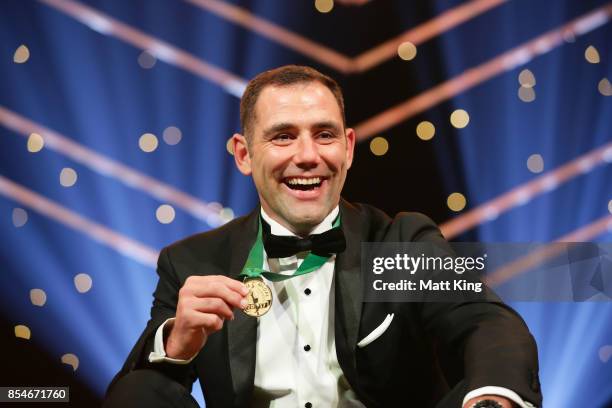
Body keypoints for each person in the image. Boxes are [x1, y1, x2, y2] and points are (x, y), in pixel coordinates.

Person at [104, 65, 542, 408]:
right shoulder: (193, 263)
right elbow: (137, 394)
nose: (308, 156)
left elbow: (486, 321)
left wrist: (491, 400)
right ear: (243, 153)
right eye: (283, 137)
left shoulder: (401, 244)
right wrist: (176, 344)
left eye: (324, 135)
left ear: (348, 148)